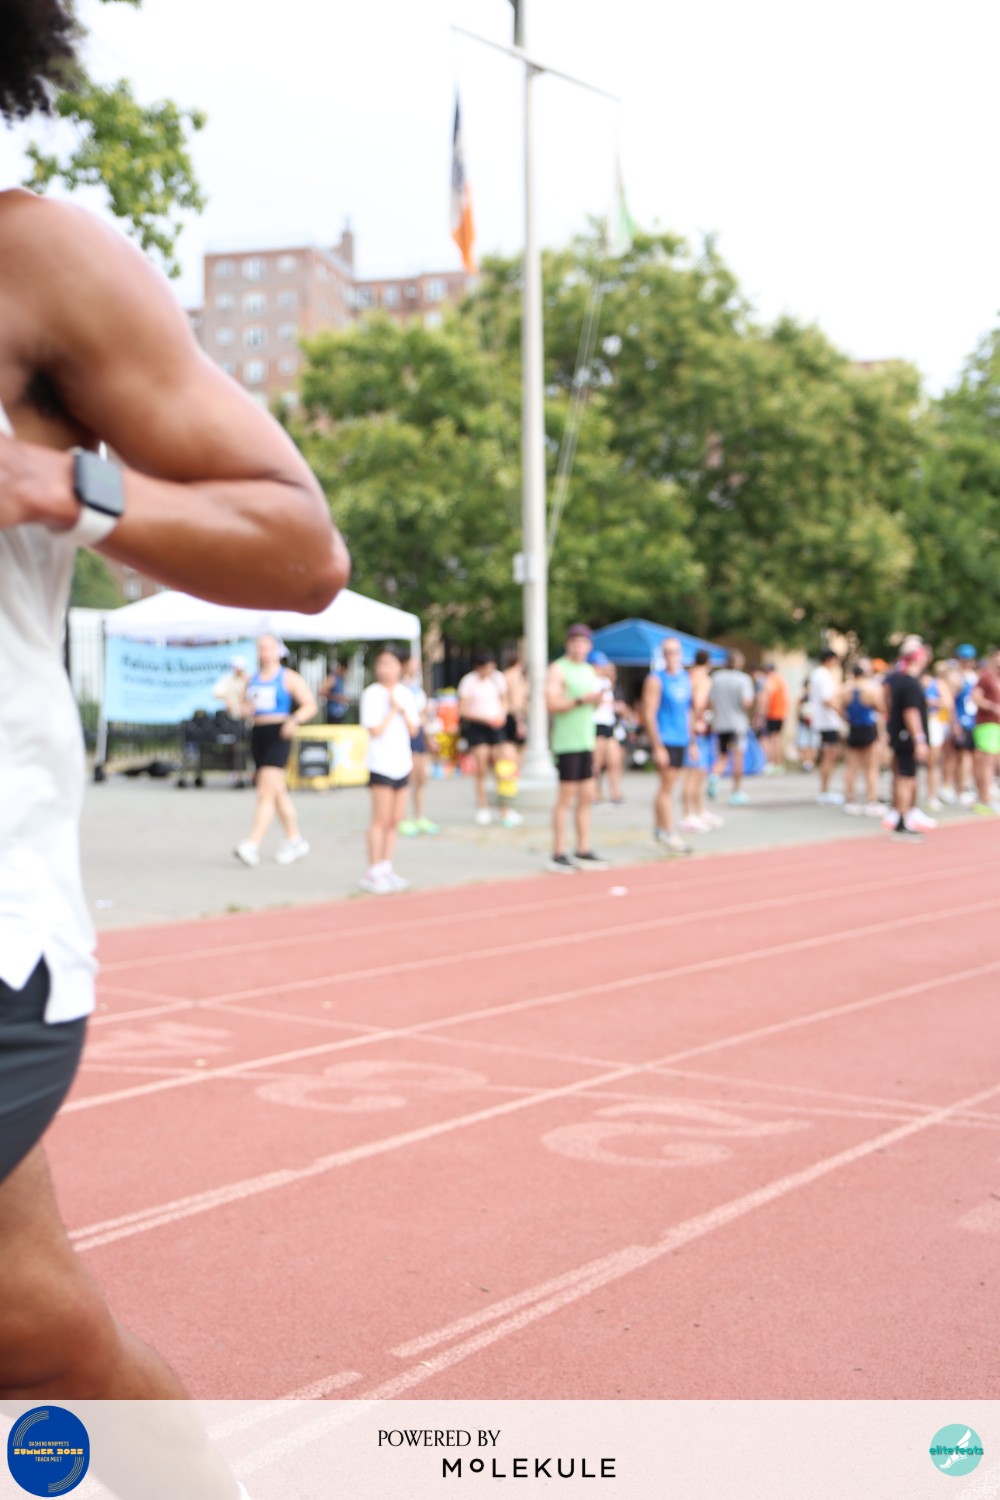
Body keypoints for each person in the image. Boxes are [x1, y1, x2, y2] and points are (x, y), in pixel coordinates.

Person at [0, 0, 347, 1458]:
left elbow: (300, 548)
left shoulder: (36, 263)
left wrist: (58, 487)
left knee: (28, 1328)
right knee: (28, 1319)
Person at [233, 634, 316, 866]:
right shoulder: (252, 679)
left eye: (269, 648)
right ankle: (295, 839)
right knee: (278, 793)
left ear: (278, 651)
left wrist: (294, 720)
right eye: (261, 648)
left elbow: (310, 705)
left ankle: (253, 843)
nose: (264, 652)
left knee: (265, 792)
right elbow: (242, 706)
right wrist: (244, 709)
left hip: (279, 734)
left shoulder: (288, 677)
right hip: (258, 733)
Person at [545, 624, 608, 872]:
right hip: (567, 742)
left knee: (587, 796)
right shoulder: (558, 668)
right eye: (575, 642)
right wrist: (581, 700)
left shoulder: (589, 671)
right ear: (568, 644)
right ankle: (558, 852)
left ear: (589, 646)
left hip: (586, 740)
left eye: (583, 642)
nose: (579, 646)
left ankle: (583, 848)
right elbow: (552, 704)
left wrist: (596, 701)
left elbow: (593, 707)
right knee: (566, 798)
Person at [359, 648, 421, 892]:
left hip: (402, 763)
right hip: (380, 763)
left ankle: (386, 866)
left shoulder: (406, 693)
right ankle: (373, 870)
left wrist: (402, 709)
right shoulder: (372, 694)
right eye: (382, 664)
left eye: (391, 664)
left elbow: (414, 730)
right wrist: (392, 709)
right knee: (380, 819)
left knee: (395, 819)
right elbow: (375, 730)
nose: (385, 669)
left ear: (400, 667)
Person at [641, 637, 695, 852]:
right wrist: (657, 746)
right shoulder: (656, 679)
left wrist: (692, 741)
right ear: (663, 655)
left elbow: (688, 712)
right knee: (666, 788)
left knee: (668, 786)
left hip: (681, 739)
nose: (672, 656)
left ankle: (659, 829)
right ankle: (669, 832)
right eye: (668, 652)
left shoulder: (684, 678)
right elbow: (649, 713)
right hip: (666, 739)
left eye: (675, 651)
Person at [883, 637, 931, 841]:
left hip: (900, 734)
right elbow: (911, 712)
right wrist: (919, 739)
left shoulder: (898, 679)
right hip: (907, 737)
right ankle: (902, 821)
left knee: (903, 776)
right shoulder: (910, 682)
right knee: (906, 777)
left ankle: (902, 817)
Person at [457, 648, 507, 826]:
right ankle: (483, 806)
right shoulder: (469, 682)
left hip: (496, 725)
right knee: (481, 767)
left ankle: (504, 808)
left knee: (501, 767)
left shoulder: (497, 678)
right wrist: (483, 718)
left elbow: (503, 700)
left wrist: (501, 715)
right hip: (478, 726)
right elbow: (462, 709)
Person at [398, 655, 440, 837]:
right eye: (413, 662)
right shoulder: (399, 687)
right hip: (407, 734)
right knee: (410, 777)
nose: (416, 665)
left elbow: (422, 714)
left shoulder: (416, 685)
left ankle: (419, 816)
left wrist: (430, 736)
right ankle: (403, 818)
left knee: (422, 777)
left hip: (421, 733)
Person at [680, 648, 720, 833]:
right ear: (708, 662)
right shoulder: (703, 679)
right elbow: (697, 703)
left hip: (692, 728)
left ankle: (699, 811)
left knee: (701, 772)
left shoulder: (688, 675)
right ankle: (688, 815)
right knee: (693, 774)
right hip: (696, 730)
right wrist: (698, 723)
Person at [837, 660, 884, 815]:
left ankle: (850, 800)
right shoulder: (870, 690)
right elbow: (881, 708)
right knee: (871, 768)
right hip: (868, 729)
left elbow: (834, 704)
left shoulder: (846, 690)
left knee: (851, 767)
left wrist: (845, 717)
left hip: (854, 729)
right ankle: (871, 800)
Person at [710, 650, 756, 805]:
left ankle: (714, 776)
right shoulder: (743, 679)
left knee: (722, 756)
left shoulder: (716, 677)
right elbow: (746, 702)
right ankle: (736, 791)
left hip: (720, 724)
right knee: (737, 757)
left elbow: (711, 701)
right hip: (737, 725)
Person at [809, 649, 844, 803]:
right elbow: (827, 699)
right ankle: (824, 790)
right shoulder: (823, 675)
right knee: (829, 757)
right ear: (830, 659)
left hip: (824, 722)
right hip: (827, 722)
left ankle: (825, 789)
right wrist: (841, 712)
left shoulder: (818, 674)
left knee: (829, 756)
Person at [591, 653, 626, 804]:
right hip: (596, 724)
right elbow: (594, 703)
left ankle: (615, 792)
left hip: (608, 724)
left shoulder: (605, 682)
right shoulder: (591, 681)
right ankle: (595, 792)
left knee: (614, 760)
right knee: (596, 762)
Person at [971, 647, 1000, 815]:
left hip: (996, 725)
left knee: (992, 762)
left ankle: (987, 795)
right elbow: (976, 697)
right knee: (986, 762)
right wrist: (992, 707)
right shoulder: (986, 678)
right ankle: (984, 798)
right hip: (986, 724)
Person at [760, 662, 789, 772]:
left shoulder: (770, 680)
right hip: (781, 713)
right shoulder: (781, 680)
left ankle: (773, 764)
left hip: (772, 713)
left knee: (772, 740)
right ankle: (779, 764)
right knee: (777, 738)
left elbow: (766, 698)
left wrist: (762, 714)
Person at [502, 652, 528, 766]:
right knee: (518, 747)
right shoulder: (516, 676)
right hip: (516, 715)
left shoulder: (504, 675)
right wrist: (520, 721)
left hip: (506, 714)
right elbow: (516, 700)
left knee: (507, 745)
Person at [319, 656, 349, 724]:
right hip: (333, 714)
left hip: (340, 713)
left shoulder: (341, 679)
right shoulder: (333, 678)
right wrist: (337, 697)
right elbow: (321, 691)